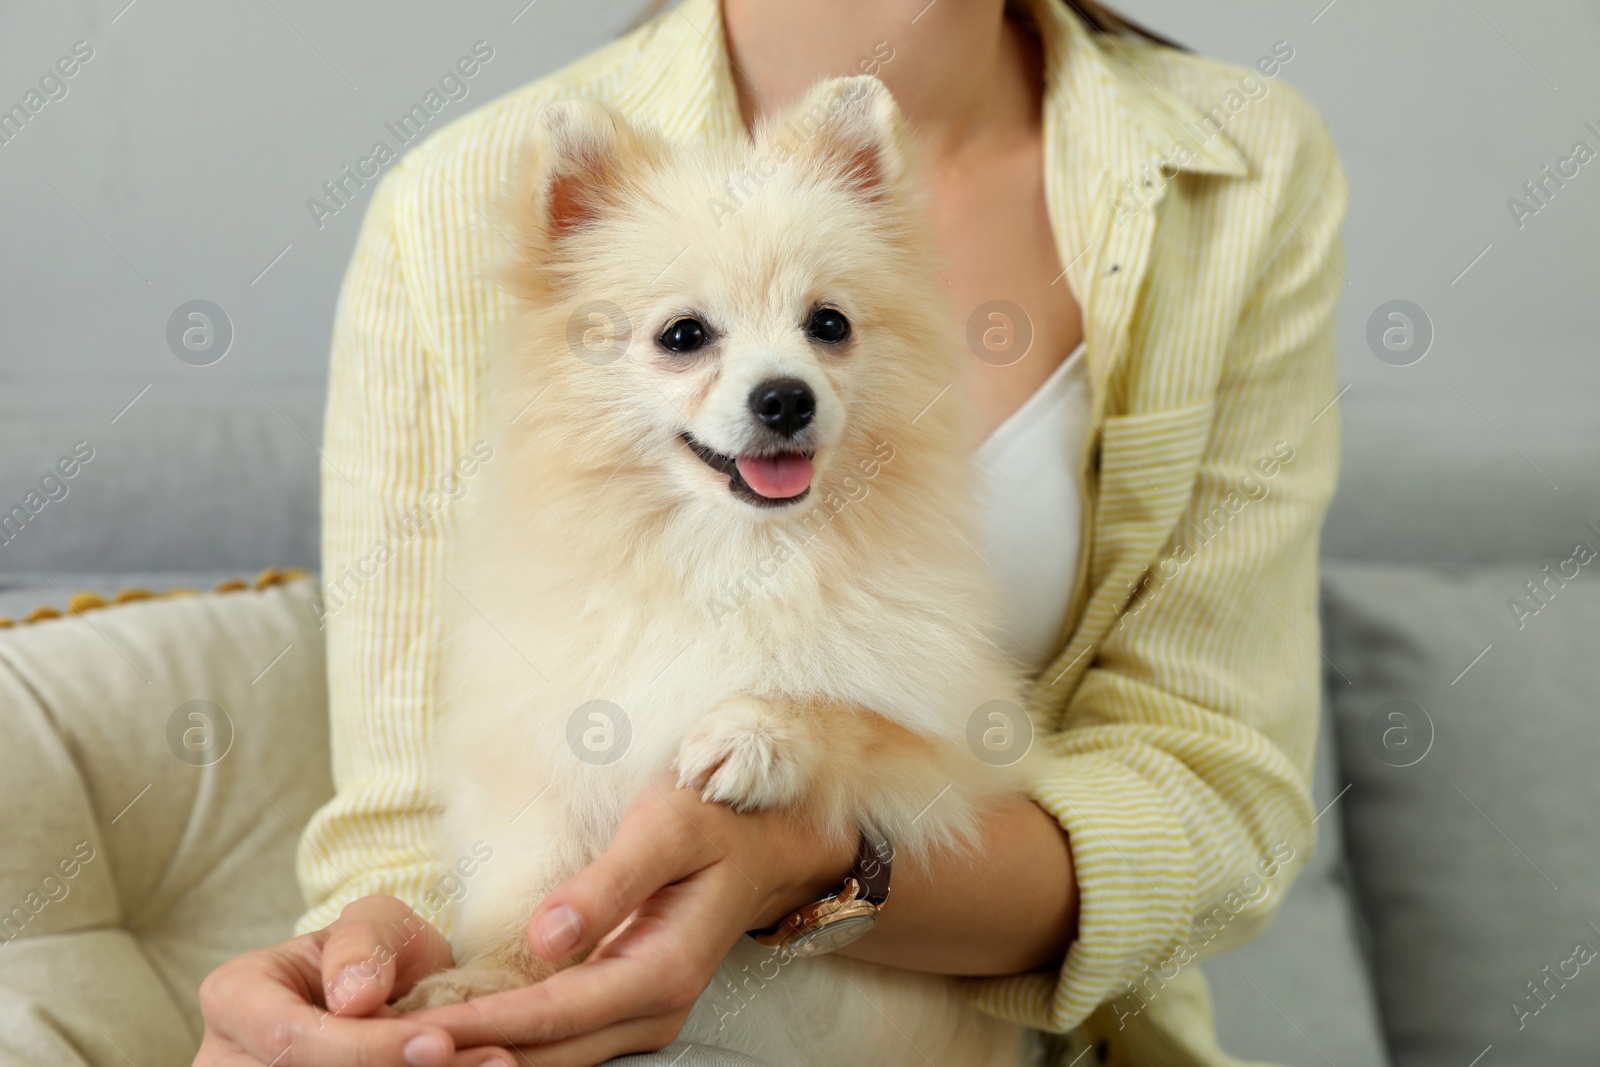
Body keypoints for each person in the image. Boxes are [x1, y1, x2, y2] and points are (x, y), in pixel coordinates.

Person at [195, 0, 1347, 1064]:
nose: (779, 381)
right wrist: (377, 983)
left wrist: (810, 850)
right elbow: (411, 818)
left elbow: (1220, 798)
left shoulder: (1240, 165)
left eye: (826, 325)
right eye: (684, 334)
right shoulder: (451, 197)